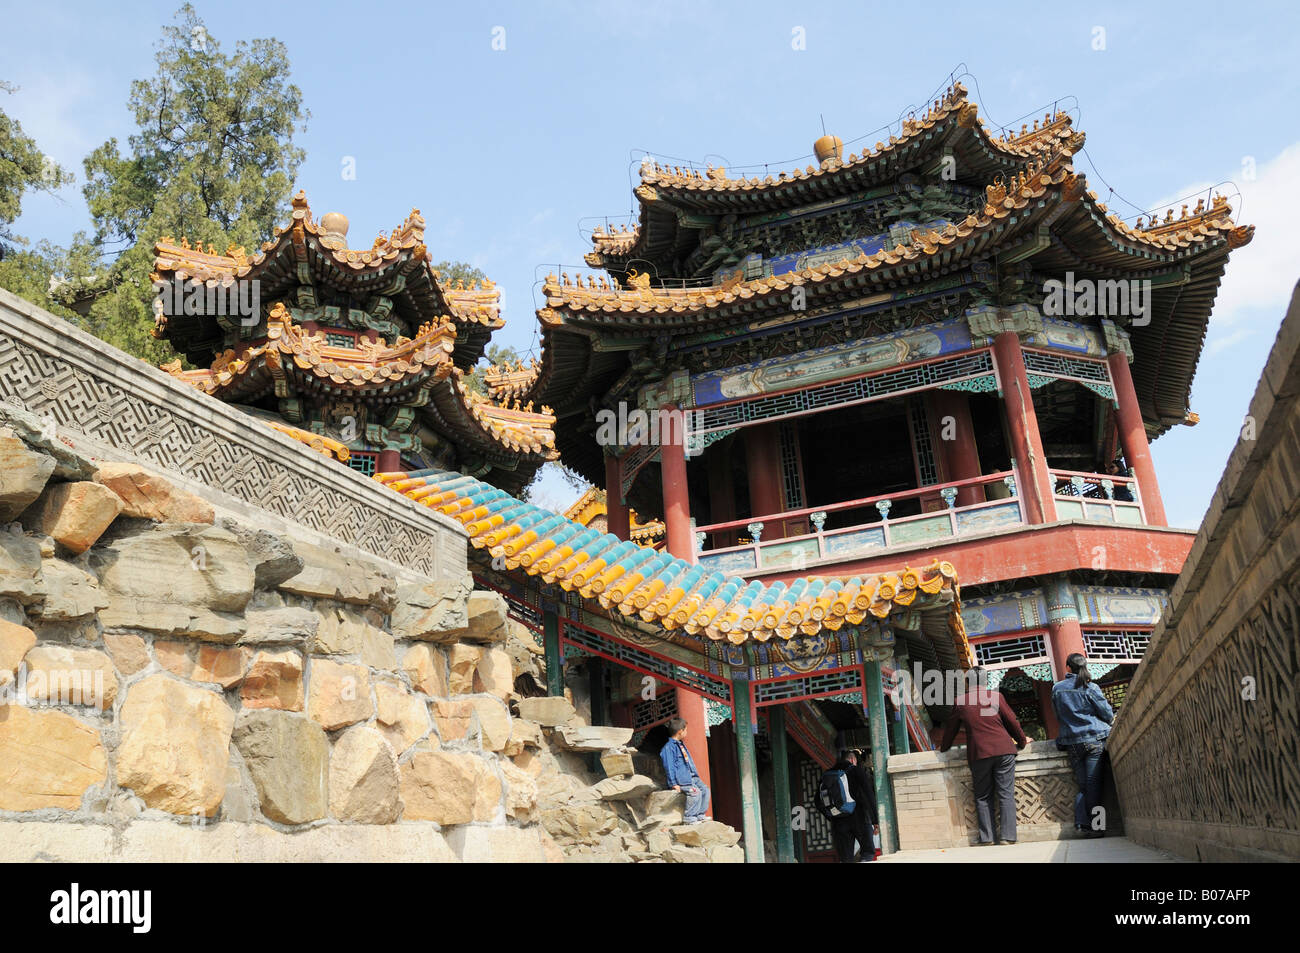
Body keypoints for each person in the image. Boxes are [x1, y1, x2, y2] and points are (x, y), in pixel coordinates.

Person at [938, 668, 1028, 845]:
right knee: (1006, 794)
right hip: (1004, 750)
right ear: (986, 681)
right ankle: (1008, 837)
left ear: (967, 682)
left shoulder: (960, 702)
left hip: (979, 753)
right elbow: (1012, 722)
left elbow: (951, 730)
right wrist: (1022, 742)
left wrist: (944, 748)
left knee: (982, 796)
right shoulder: (996, 697)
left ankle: (987, 838)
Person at [1051, 653, 1114, 838]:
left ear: (1068, 667)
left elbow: (1057, 715)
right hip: (1095, 739)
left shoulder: (1057, 689)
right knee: (1094, 785)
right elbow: (1107, 714)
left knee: (1084, 785)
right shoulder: (1090, 686)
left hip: (1071, 742)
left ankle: (1082, 823)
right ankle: (1097, 827)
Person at [815, 750, 876, 863]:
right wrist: (875, 820)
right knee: (867, 854)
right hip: (860, 819)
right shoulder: (857, 771)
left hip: (839, 822)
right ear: (853, 760)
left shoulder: (827, 775)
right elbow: (869, 794)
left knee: (845, 858)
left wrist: (832, 815)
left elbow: (817, 802)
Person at [659, 717, 710, 824]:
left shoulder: (680, 744)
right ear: (680, 731)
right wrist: (673, 783)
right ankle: (690, 818)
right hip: (682, 779)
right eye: (686, 730)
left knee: (705, 790)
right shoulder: (669, 747)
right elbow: (669, 766)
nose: (686, 732)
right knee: (695, 793)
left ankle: (700, 815)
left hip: (691, 776)